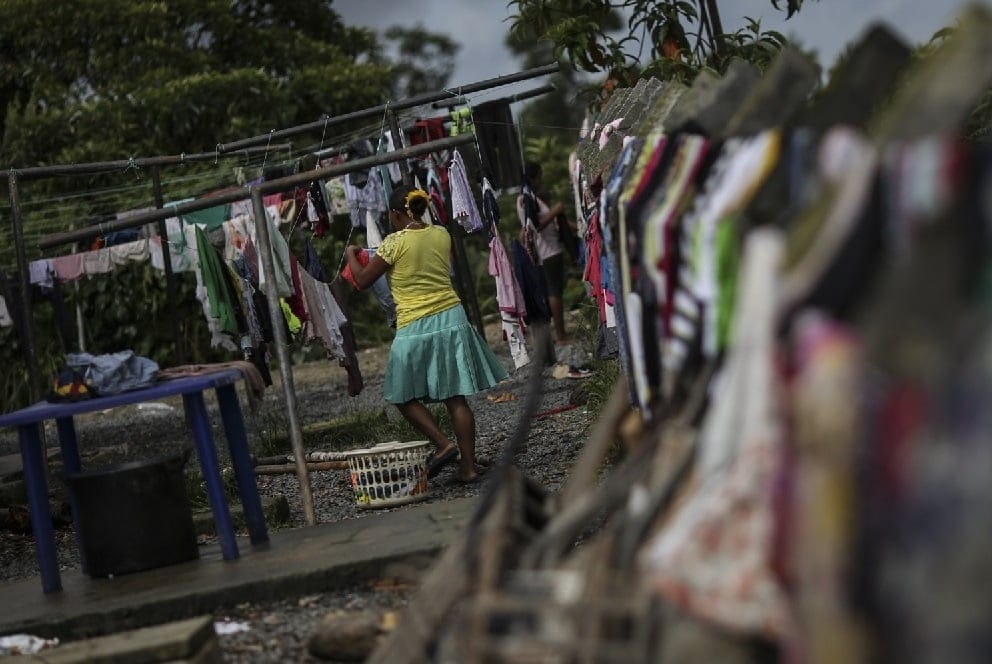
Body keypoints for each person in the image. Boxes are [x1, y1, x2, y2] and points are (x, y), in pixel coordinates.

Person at [345, 185, 508, 483]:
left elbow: (363, 279)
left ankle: (443, 444)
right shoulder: (442, 234)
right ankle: (468, 467)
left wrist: (352, 254)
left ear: (395, 215)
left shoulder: (393, 243)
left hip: (415, 323)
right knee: (455, 397)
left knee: (400, 393)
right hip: (451, 317)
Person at [517, 161, 572, 344]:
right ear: (533, 178)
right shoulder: (528, 199)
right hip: (548, 251)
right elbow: (536, 226)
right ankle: (561, 335)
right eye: (540, 176)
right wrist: (556, 210)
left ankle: (559, 333)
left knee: (552, 292)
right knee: (554, 293)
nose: (542, 180)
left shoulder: (526, 198)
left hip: (544, 251)